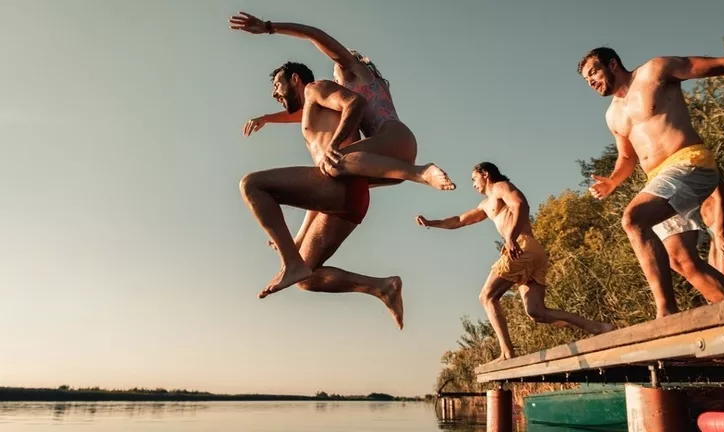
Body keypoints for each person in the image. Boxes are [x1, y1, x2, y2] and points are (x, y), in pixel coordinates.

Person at [577, 47, 724, 318]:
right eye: (587, 80)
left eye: (594, 72)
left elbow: (721, 64)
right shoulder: (613, 116)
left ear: (613, 64)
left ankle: (666, 311)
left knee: (633, 219)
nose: (592, 81)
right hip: (659, 179)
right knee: (682, 260)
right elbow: (627, 157)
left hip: (689, 162)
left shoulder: (655, 71)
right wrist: (612, 182)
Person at [239, 61, 403, 329]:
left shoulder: (316, 88)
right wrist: (267, 118)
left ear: (295, 79)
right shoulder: (313, 107)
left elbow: (356, 103)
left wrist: (335, 144)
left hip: (343, 184)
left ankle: (290, 261)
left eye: (276, 85)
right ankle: (382, 287)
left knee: (252, 185)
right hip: (349, 199)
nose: (273, 93)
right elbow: (298, 114)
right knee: (306, 278)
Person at [229, 11, 455, 191]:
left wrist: (270, 27)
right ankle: (300, 239)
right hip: (392, 153)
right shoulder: (372, 83)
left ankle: (421, 172)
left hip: (393, 139)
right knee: (328, 179)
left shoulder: (353, 70)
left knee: (332, 161)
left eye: (336, 75)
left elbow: (314, 34)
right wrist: (267, 119)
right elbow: (304, 113)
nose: (335, 79)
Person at [415, 162, 615, 362]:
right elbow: (460, 220)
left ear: (485, 174)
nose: (473, 184)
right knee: (536, 312)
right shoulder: (486, 204)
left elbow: (521, 204)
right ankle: (599, 327)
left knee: (487, 297)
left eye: (474, 179)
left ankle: (507, 352)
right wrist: (432, 223)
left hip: (521, 246)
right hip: (533, 252)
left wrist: (511, 237)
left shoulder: (500, 187)